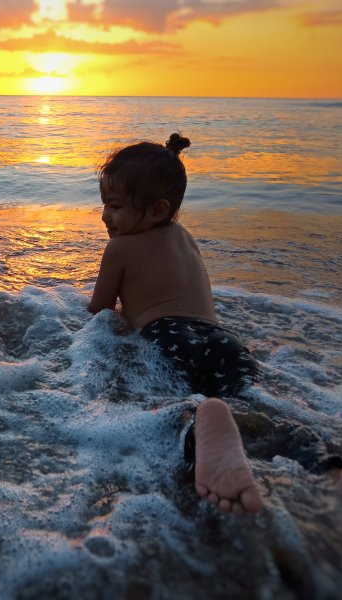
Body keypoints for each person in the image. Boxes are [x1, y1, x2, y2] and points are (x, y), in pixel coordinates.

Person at [87, 134, 262, 514]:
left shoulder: (120, 248)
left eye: (114, 206)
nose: (105, 216)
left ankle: (198, 440)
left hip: (167, 336)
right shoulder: (186, 239)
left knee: (176, 406)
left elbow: (98, 312)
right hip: (222, 340)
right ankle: (327, 467)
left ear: (156, 209)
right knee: (255, 407)